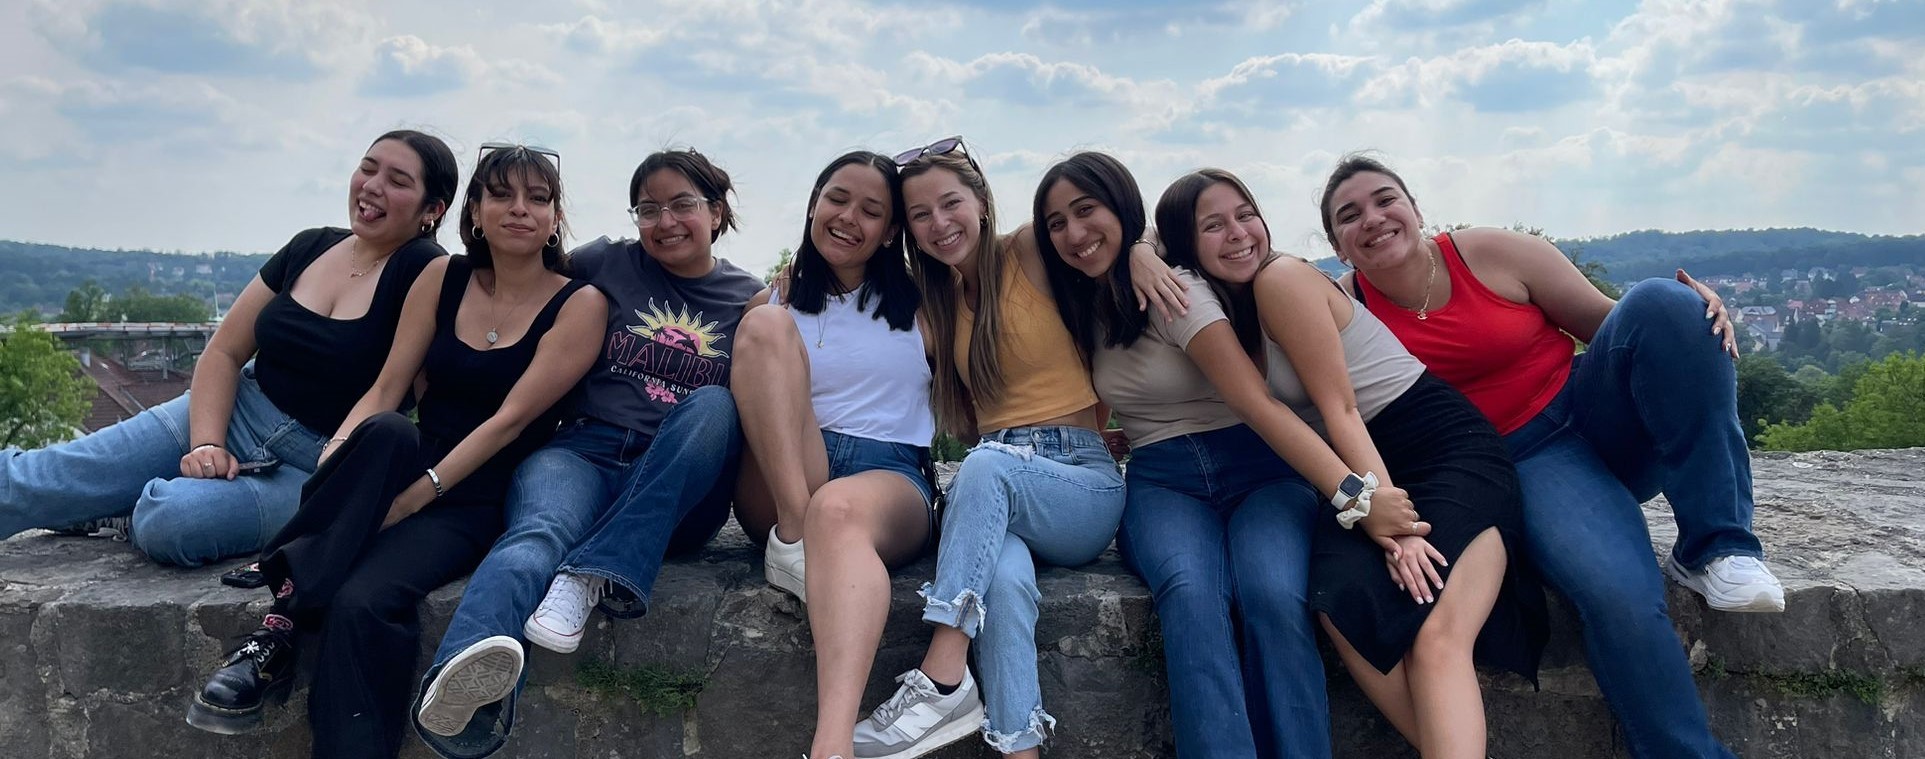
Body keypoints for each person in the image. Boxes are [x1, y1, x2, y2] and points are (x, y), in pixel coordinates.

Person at [1321, 153, 1782, 757]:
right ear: (1338, 246)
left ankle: (1717, 546)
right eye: (1350, 216)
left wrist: (1696, 319)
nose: (1374, 219)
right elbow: (1331, 419)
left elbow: (1619, 331)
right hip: (1519, 465)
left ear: (1415, 209)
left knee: (1661, 303)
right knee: (1618, 597)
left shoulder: (1491, 254)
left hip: (1590, 415)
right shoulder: (1341, 315)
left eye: (1385, 200)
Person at [185, 144, 604, 759]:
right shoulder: (442, 276)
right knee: (384, 433)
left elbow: (509, 424)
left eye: (537, 199)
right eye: (501, 195)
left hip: (476, 489)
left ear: (554, 218)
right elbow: (387, 388)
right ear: (475, 213)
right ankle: (277, 629)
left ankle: (279, 627)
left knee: (364, 601)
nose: (519, 209)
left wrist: (410, 501)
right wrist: (335, 466)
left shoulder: (579, 304)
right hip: (405, 456)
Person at [1159, 168, 1547, 759]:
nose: (1238, 233)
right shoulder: (1225, 310)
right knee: (1341, 604)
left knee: (1436, 638)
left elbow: (1341, 410)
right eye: (1213, 225)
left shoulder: (1282, 278)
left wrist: (1389, 523)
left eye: (1245, 214)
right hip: (1367, 468)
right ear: (1187, 248)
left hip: (1436, 448)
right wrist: (1143, 253)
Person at [411, 148, 761, 759]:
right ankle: (458, 696)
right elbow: (525, 275)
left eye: (683, 204)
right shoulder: (606, 262)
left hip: (676, 481)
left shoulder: (750, 300)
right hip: (585, 451)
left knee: (713, 406)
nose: (665, 221)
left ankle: (589, 573)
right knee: (536, 533)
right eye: (648, 209)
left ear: (717, 211)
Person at [847, 137, 1179, 759]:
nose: (940, 223)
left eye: (951, 203)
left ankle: (943, 673)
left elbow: (1095, 235)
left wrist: (1140, 249)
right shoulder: (937, 304)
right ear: (909, 231)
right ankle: (1019, 749)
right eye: (921, 215)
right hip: (999, 489)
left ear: (980, 201)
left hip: (1077, 481)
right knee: (1001, 586)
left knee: (987, 466)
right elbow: (844, 307)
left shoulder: (1026, 251)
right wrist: (789, 279)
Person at [0, 130, 455, 566]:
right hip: (234, 408)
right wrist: (207, 444)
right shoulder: (312, 246)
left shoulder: (426, 271)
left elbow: (406, 394)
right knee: (37, 479)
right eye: (367, 169)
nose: (372, 186)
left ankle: (111, 510)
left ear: (431, 208)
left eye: (397, 182)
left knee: (170, 521)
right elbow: (224, 351)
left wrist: (350, 478)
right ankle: (90, 497)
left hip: (313, 467)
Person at [1035, 152, 1329, 757]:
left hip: (1260, 467)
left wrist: (1355, 494)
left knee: (1273, 595)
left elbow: (1254, 402)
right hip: (1163, 481)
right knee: (1191, 595)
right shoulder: (1078, 304)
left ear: (1121, 207)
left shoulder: (1177, 288)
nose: (1074, 233)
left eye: (1086, 211)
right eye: (1056, 223)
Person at [729, 150, 937, 759]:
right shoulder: (777, 299)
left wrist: (1140, 250)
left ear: (891, 231)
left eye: (871, 211)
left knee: (839, 511)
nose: (849, 218)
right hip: (791, 476)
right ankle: (793, 539)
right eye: (837, 199)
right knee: (766, 326)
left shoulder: (924, 304)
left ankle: (831, 746)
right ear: (815, 203)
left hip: (887, 477)